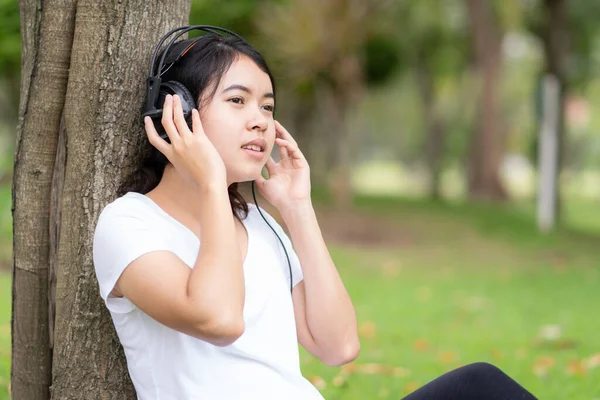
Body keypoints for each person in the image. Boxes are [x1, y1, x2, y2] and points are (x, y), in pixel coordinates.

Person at [92, 30, 537, 400]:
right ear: (178, 111)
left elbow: (339, 345)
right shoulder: (129, 224)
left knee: (480, 386)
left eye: (267, 106)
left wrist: (298, 210)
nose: (260, 121)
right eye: (237, 101)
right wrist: (211, 183)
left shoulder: (258, 226)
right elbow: (220, 319)